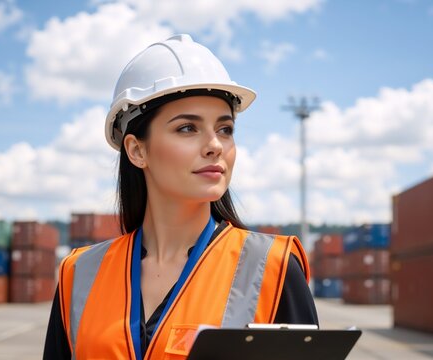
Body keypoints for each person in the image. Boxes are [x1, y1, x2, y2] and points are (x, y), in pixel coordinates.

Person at [43, 34, 318, 360]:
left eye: (225, 129)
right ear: (137, 150)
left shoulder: (272, 267)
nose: (215, 145)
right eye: (187, 128)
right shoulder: (79, 274)